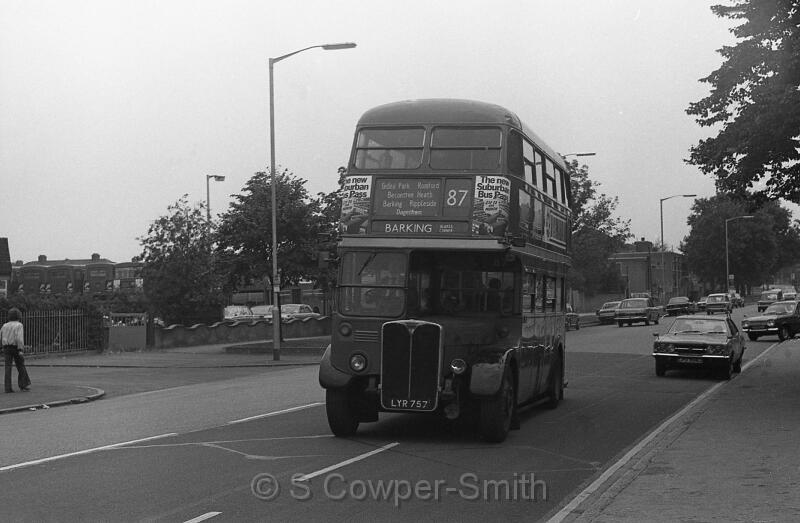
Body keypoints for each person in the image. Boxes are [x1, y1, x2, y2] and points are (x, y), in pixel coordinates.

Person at [1, 308, 31, 393]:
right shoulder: (19, 325)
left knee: (7, 367)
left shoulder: (5, 325)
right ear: (18, 315)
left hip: (6, 347)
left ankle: (8, 388)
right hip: (15, 347)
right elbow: (19, 338)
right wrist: (20, 349)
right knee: (20, 365)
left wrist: (2, 346)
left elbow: (1, 335)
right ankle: (23, 384)